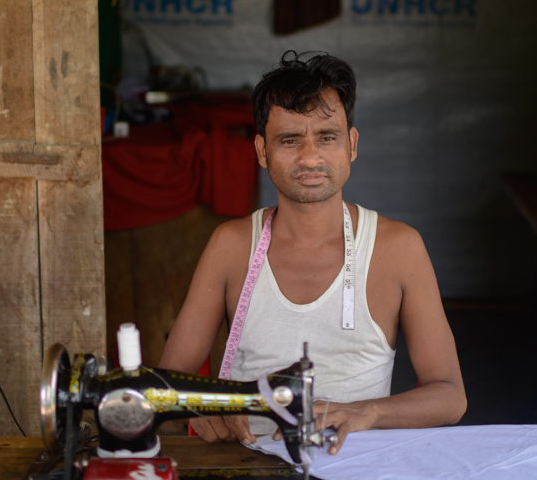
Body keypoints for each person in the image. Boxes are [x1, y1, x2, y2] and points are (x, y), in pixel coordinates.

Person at [159, 51, 466, 455]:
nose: (309, 157)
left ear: (351, 144)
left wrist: (364, 413)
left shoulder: (398, 249)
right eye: (289, 140)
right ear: (262, 152)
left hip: (358, 469)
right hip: (249, 463)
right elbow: (165, 383)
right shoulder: (232, 246)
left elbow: (450, 396)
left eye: (327, 137)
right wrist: (205, 406)